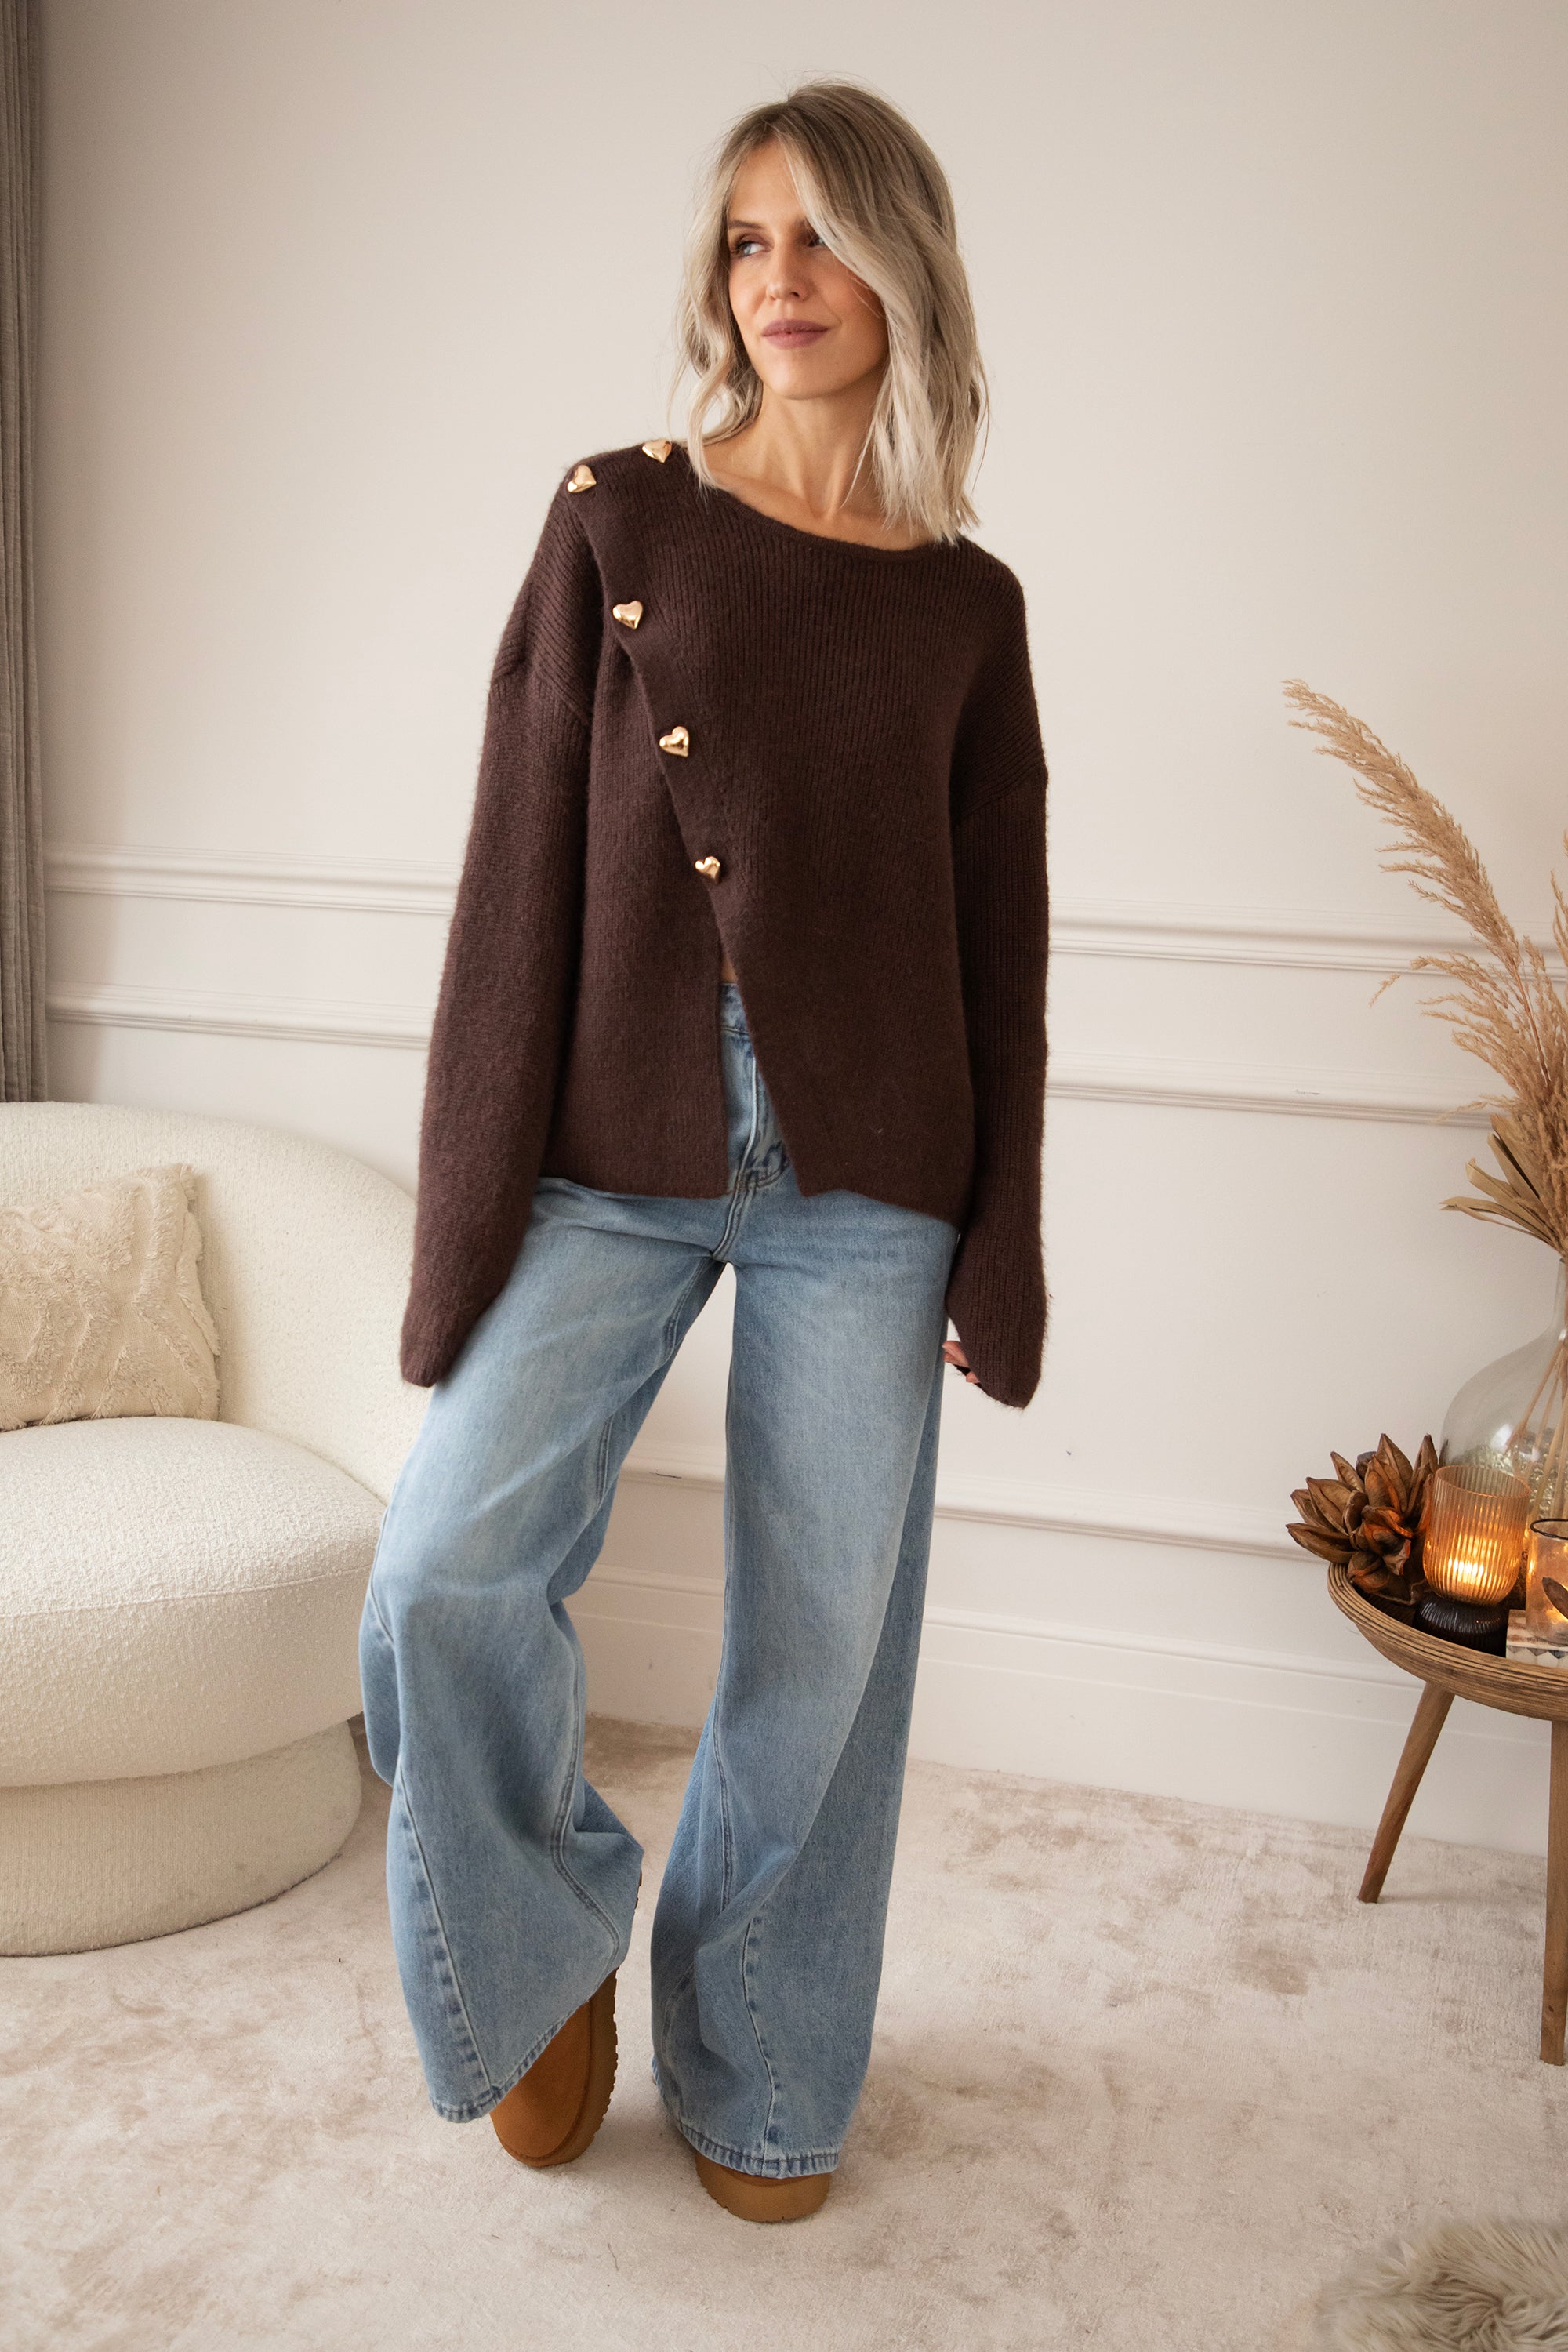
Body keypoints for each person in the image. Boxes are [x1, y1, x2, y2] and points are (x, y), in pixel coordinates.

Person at [359, 78, 1049, 2225]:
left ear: (903, 266)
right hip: (607, 1152)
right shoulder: (619, 521)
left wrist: (1001, 1249)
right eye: (749, 240)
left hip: (876, 1183)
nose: (781, 280)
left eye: (822, 235)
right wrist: (465, 1221)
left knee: (820, 1664)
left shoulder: (968, 607)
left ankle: (761, 2063)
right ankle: (542, 1947)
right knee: (441, 1576)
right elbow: (516, 883)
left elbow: (1002, 946)